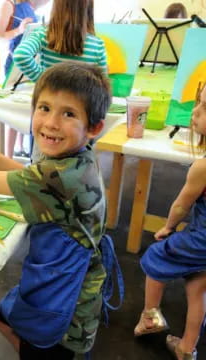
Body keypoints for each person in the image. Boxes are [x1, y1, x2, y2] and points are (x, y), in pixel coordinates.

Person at [0, 62, 123, 359]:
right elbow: (27, 177)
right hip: (63, 279)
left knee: (46, 349)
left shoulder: (62, 177)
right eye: (45, 108)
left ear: (94, 128)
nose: (51, 122)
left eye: (69, 113)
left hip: (65, 300)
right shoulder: (77, 158)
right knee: (3, 317)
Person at [134, 83, 206, 360]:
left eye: (204, 106)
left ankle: (151, 316)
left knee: (157, 257)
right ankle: (187, 349)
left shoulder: (202, 167)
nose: (195, 112)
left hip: (201, 238)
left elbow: (180, 206)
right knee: (197, 287)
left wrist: (168, 227)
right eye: (198, 103)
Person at [0, 0, 49, 159]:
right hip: (15, 63)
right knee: (14, 111)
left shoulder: (30, 5)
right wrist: (19, 30)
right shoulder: (8, 5)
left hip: (31, 64)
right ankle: (8, 157)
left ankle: (19, 148)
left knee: (26, 108)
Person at [13, 0, 107, 84]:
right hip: (81, 101)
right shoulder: (97, 44)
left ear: (56, 7)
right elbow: (103, 84)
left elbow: (20, 55)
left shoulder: (42, 34)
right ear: (89, 10)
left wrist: (43, 80)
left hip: (50, 98)